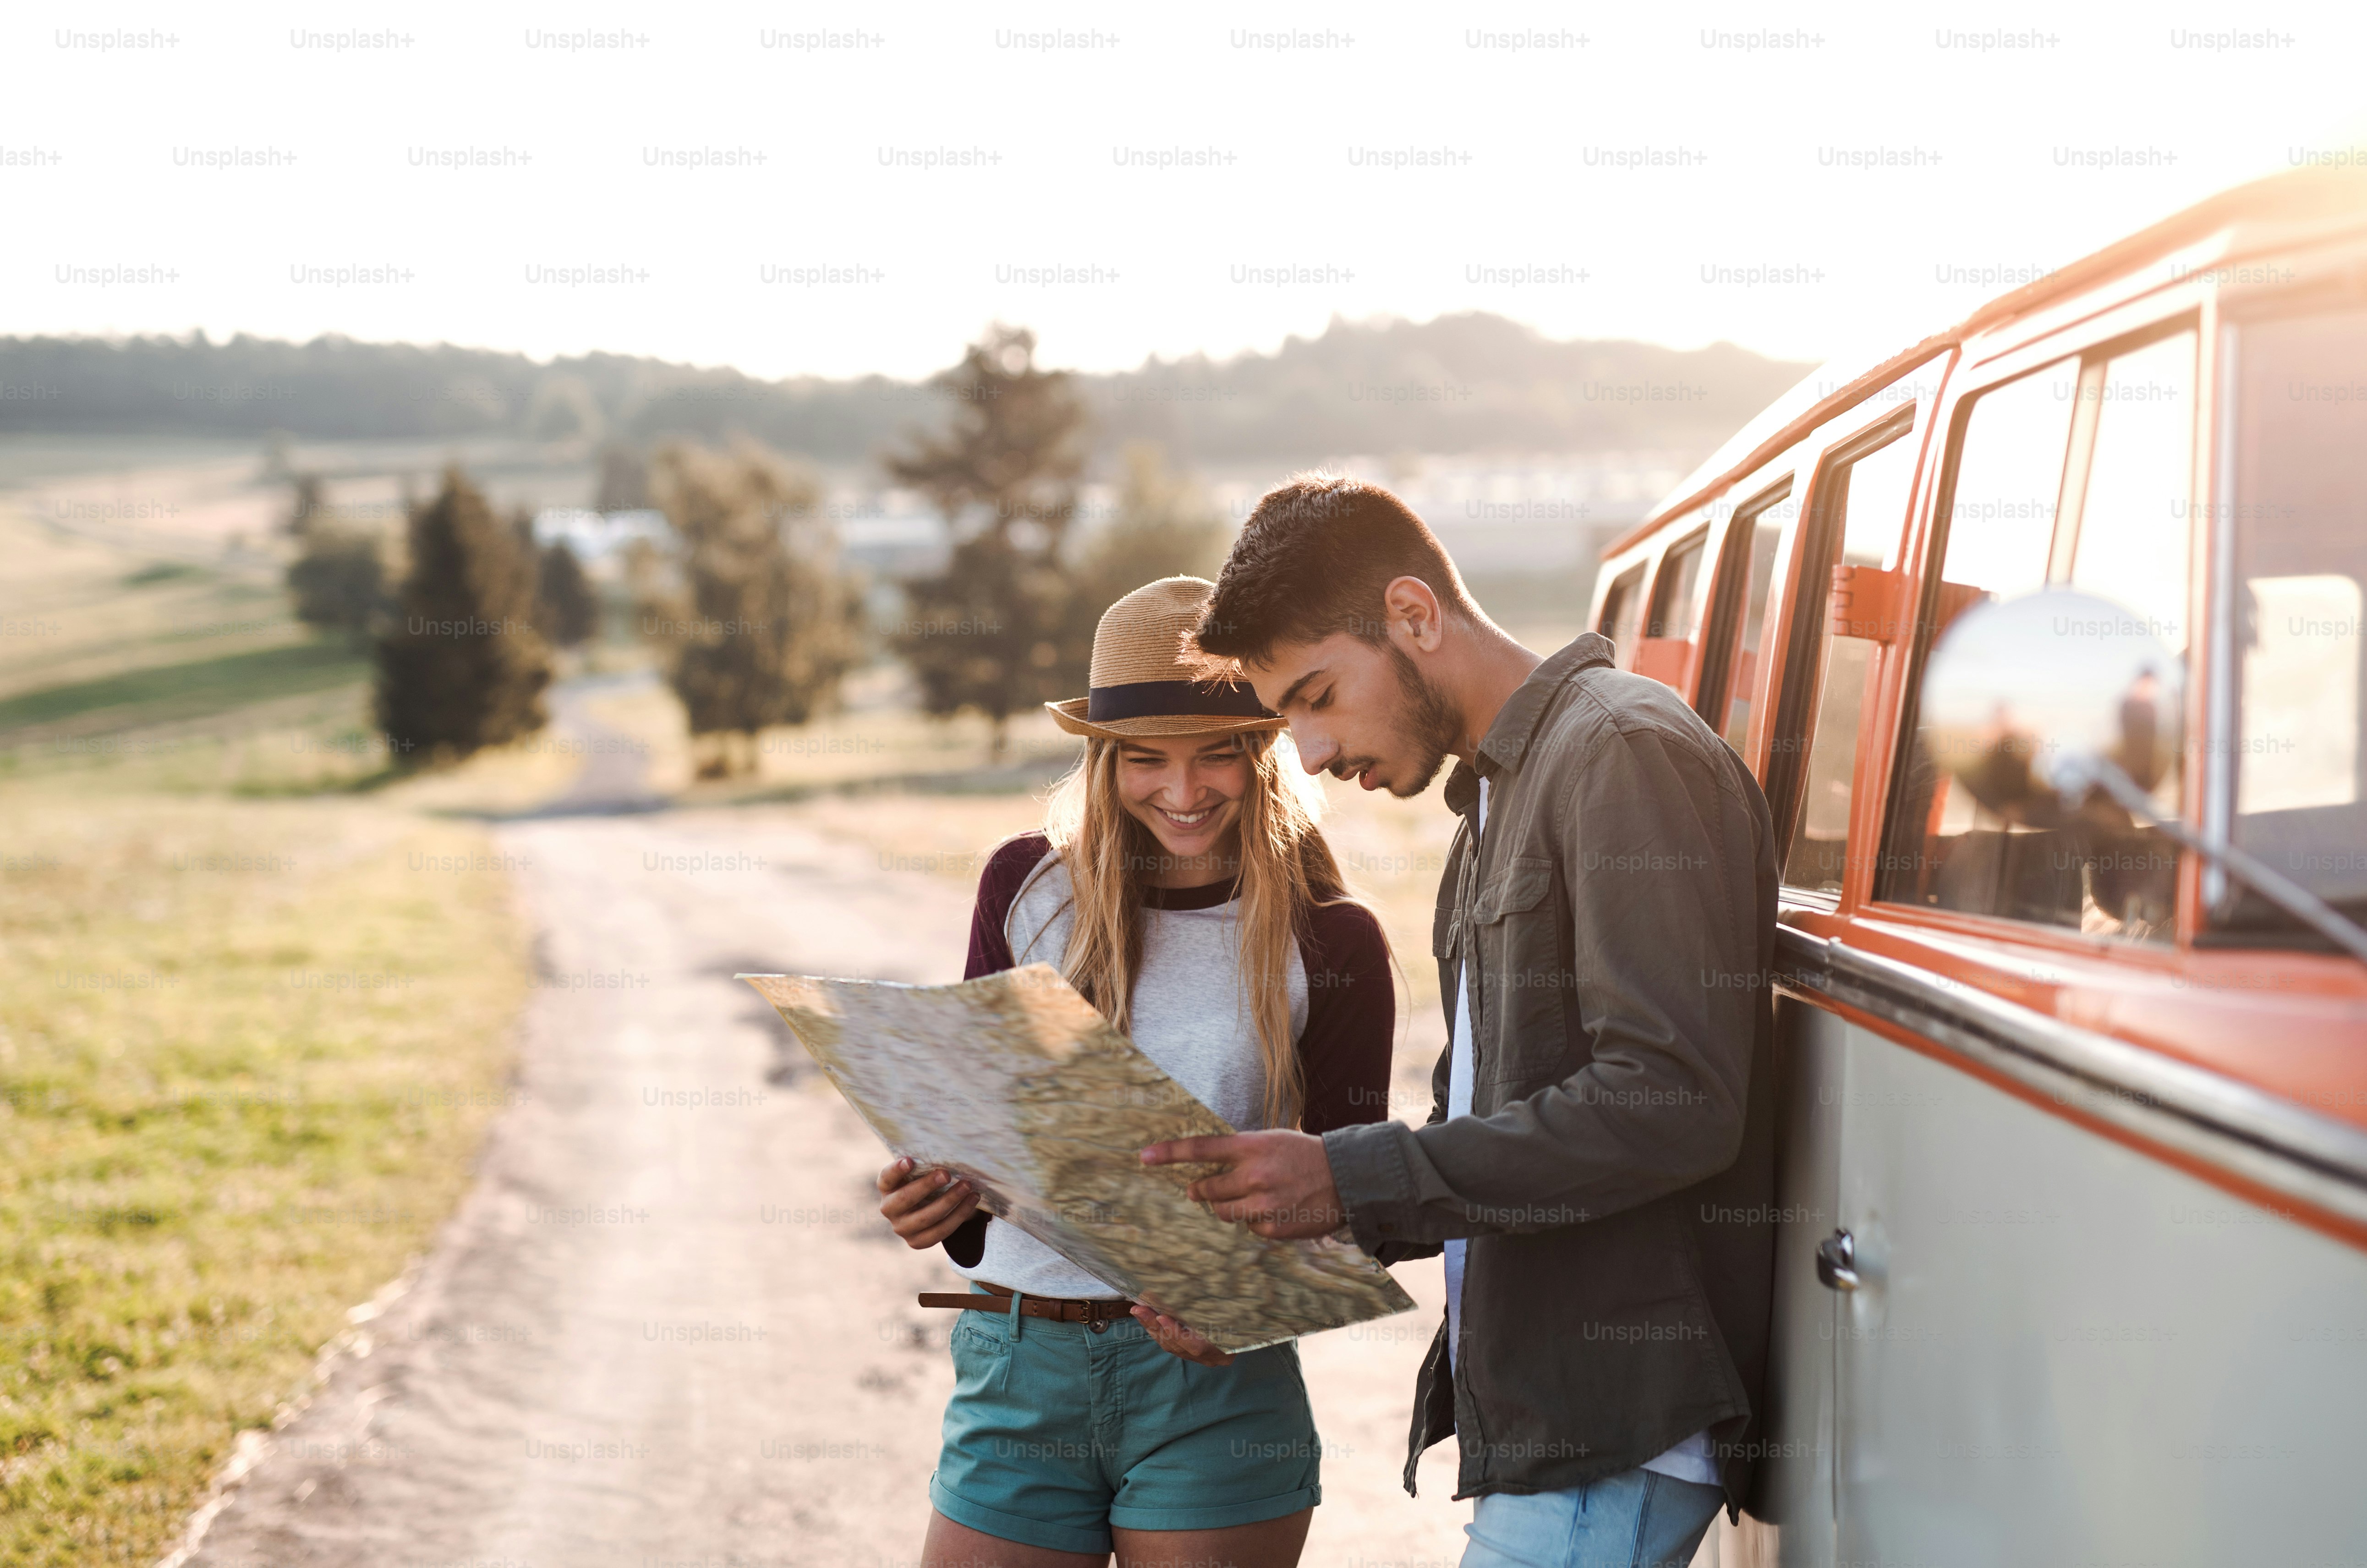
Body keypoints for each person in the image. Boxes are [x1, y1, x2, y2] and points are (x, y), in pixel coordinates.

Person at [1141, 477, 1780, 1568]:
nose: (1308, 754)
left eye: (1319, 695)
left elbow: (1671, 1102)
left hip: (1606, 1420)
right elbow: (1486, 1128)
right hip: (1546, 1416)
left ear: (1415, 615)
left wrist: (1348, 1173)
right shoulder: (1490, 801)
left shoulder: (1619, 751)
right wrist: (1275, 1261)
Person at [876, 576, 1397, 1568]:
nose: (1184, 789)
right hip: (1018, 1365)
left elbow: (1354, 1198)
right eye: (1145, 759)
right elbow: (982, 1153)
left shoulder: (1332, 939)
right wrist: (935, 1200)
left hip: (1217, 1391)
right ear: (1102, 758)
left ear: (1264, 751)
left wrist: (1245, 1315)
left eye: (1217, 756)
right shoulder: (1024, 890)